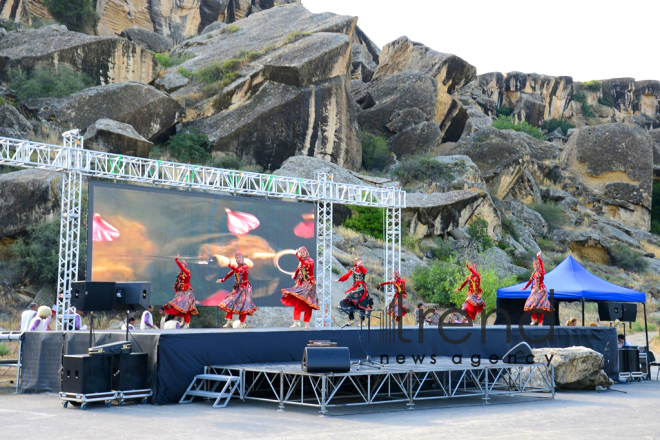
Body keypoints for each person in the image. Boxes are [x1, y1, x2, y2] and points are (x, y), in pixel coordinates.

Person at [281, 246, 319, 329]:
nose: (302, 253)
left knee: (309, 304)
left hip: (309, 284)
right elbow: (298, 270)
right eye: (300, 252)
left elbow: (305, 264)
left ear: (306, 252)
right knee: (298, 302)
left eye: (303, 252)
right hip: (301, 284)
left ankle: (306, 323)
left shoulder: (310, 260)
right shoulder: (300, 263)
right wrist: (294, 276)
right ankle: (296, 321)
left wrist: (297, 255)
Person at [218, 252, 257, 328]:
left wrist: (229, 265)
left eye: (239, 257)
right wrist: (222, 280)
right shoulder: (237, 267)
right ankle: (229, 320)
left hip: (245, 288)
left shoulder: (245, 266)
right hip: (237, 288)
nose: (238, 259)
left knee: (243, 306)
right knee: (231, 302)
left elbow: (238, 271)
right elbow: (230, 273)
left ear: (242, 258)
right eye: (237, 258)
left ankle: (242, 323)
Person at [163, 255, 198, 328]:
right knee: (177, 304)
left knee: (186, 307)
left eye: (183, 264)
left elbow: (181, 268)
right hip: (181, 292)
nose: (181, 266)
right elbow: (178, 282)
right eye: (181, 264)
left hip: (187, 292)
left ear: (185, 265)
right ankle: (183, 321)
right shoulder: (180, 273)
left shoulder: (187, 271)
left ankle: (186, 323)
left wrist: (176, 260)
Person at [335, 257, 373, 323]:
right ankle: (351, 315)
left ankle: (362, 320)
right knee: (351, 300)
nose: (360, 262)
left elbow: (364, 271)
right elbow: (346, 275)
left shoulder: (363, 269)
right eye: (358, 261)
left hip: (361, 288)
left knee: (362, 304)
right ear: (356, 262)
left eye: (361, 261)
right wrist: (339, 279)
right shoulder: (353, 269)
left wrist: (360, 266)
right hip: (355, 287)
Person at [520, 251, 554, 325]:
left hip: (541, 290)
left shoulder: (541, 272)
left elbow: (542, 266)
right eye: (534, 264)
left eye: (537, 264)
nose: (536, 265)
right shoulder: (533, 273)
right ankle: (534, 319)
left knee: (541, 307)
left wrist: (538, 257)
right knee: (529, 304)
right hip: (534, 290)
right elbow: (529, 281)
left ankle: (540, 322)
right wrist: (525, 288)